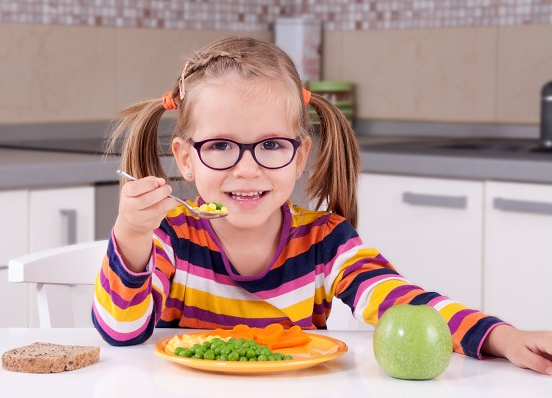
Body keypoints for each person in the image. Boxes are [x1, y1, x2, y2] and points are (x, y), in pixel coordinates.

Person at [92, 36, 552, 375]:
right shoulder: (170, 235)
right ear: (187, 159)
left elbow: (402, 305)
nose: (247, 169)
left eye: (271, 145)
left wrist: (504, 338)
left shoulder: (327, 241)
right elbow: (121, 332)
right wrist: (132, 236)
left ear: (301, 156)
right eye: (220, 146)